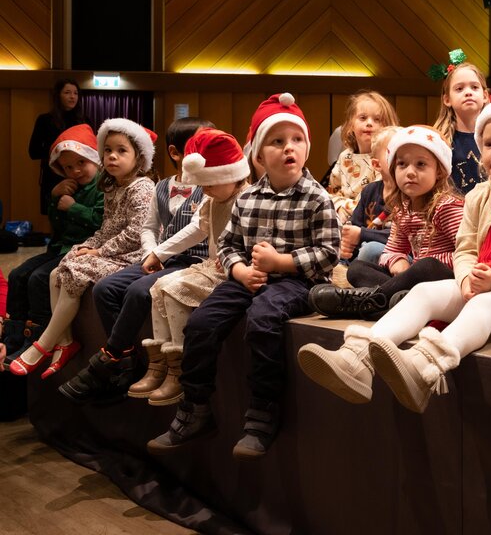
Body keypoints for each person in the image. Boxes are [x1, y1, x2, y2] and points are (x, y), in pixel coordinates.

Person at [298, 101, 491, 412]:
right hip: (480, 281)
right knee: (423, 291)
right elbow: (465, 249)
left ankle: (424, 367)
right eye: (489, 144)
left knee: (484, 304)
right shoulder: (479, 196)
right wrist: (465, 277)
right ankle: (356, 358)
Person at [147, 93, 339, 459]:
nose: (289, 148)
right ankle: (196, 407)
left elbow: (329, 253)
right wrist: (238, 268)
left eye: (297, 140)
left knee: (263, 320)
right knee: (202, 322)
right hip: (248, 275)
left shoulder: (317, 197)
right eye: (277, 141)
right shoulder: (249, 197)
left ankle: (262, 412)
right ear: (258, 154)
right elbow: (229, 242)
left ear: (307, 148)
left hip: (295, 280)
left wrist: (280, 263)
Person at [58, 117, 211, 404]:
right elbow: (149, 227)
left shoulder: (211, 186)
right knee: (106, 289)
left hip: (193, 261)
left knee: (139, 290)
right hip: (159, 257)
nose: (206, 152)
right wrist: (150, 253)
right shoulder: (164, 186)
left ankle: (112, 356)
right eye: (199, 146)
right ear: (176, 153)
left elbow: (198, 228)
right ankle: (127, 359)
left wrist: (159, 254)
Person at [8, 119, 157, 378]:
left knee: (76, 270)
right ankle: (65, 343)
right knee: (58, 272)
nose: (112, 156)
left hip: (133, 254)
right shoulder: (112, 185)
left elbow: (135, 233)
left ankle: (44, 343)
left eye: (121, 151)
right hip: (114, 249)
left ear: (139, 156)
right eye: (108, 150)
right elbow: (105, 229)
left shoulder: (142, 187)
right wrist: (88, 246)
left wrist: (99, 252)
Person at [128, 128, 250, 406]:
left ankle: (180, 369)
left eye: (210, 183)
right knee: (160, 285)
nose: (204, 190)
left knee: (175, 289)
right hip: (212, 266)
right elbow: (196, 231)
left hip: (230, 270)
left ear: (232, 175)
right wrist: (158, 253)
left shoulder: (245, 199)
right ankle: (161, 364)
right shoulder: (212, 199)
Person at [309, 125, 464, 318]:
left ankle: (366, 302)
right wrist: (397, 261)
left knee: (427, 265)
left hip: (443, 282)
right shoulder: (402, 210)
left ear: (439, 172)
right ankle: (393, 303)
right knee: (357, 269)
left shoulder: (446, 207)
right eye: (402, 164)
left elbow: (467, 253)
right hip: (411, 281)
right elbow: (392, 249)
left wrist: (419, 267)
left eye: (421, 165)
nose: (410, 172)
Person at [3, 125, 104, 365]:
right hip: (59, 247)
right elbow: (57, 226)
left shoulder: (103, 187)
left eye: (81, 163)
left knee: (39, 278)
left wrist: (73, 207)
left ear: (93, 158)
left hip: (84, 250)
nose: (75, 171)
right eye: (68, 167)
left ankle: (39, 339)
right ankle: (13, 339)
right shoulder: (68, 186)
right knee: (18, 275)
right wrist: (55, 197)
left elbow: (101, 224)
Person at [327, 91, 399, 223]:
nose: (369, 123)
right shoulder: (344, 157)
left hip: (372, 218)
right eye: (363, 118)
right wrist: (339, 208)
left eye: (377, 119)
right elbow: (332, 192)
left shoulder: (385, 160)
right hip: (342, 215)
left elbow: (378, 200)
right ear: (351, 125)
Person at [340, 126, 400, 265]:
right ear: (376, 164)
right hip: (362, 253)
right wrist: (346, 246)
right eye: (394, 152)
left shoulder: (410, 195)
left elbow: (405, 239)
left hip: (395, 256)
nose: (401, 157)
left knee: (370, 249)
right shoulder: (370, 191)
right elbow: (355, 226)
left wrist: (362, 234)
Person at [431, 54, 490, 194]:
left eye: (474, 87)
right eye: (459, 89)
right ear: (447, 99)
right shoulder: (439, 140)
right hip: (454, 212)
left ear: (485, 96)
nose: (468, 92)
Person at [29, 79, 86, 216]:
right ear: (58, 96)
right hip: (52, 175)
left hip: (79, 175)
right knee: (55, 217)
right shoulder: (44, 119)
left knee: (77, 216)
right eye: (67, 92)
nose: (72, 97)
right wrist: (60, 150)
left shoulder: (84, 120)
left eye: (75, 93)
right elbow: (33, 151)